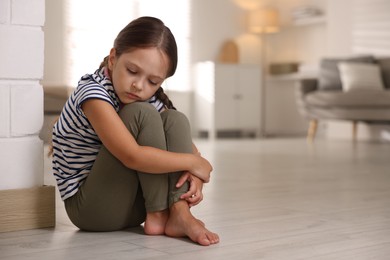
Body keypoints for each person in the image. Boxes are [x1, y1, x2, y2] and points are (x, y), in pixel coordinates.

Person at [51, 16, 219, 246]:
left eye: (153, 81)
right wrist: (191, 162)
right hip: (93, 211)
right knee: (142, 113)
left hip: (134, 208)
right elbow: (132, 155)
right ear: (113, 58)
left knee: (175, 119)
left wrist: (196, 172)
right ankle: (160, 213)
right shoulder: (92, 93)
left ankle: (179, 213)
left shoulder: (144, 97)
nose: (139, 86)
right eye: (132, 71)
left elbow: (191, 152)